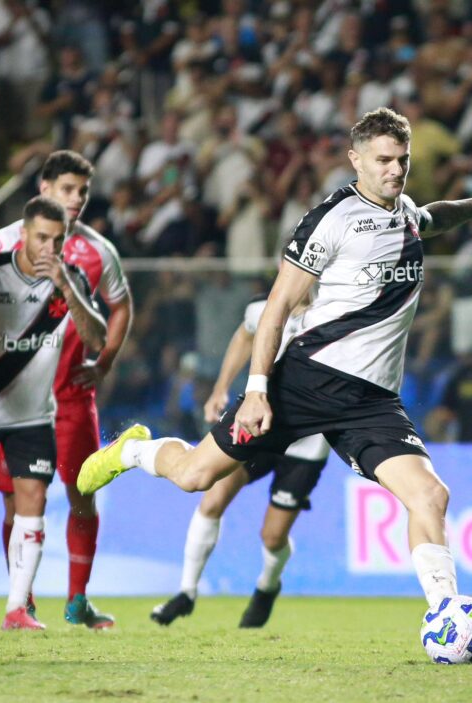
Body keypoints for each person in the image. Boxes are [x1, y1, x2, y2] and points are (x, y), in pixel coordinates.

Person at [79, 107, 472, 612]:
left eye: (403, 160)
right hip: (302, 384)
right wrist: (259, 389)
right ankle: (131, 451)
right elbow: (276, 309)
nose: (395, 170)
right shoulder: (331, 220)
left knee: (430, 496)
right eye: (383, 160)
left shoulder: (404, 212)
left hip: (371, 400)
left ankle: (446, 614)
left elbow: (432, 218)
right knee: (195, 477)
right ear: (355, 160)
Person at [0, 150, 132, 628]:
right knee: (13, 502)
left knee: (84, 495)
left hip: (71, 398)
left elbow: (120, 308)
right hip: (13, 398)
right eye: (67, 189)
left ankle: (78, 601)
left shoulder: (98, 252)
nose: (77, 199)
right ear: (43, 190)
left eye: (82, 190)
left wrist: (103, 364)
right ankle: (25, 600)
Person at [0, 196, 106, 630]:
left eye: (57, 240)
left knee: (32, 504)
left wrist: (69, 290)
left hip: (34, 417)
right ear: (24, 234)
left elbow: (96, 338)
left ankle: (17, 608)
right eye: (40, 238)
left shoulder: (68, 279)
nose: (48, 248)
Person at [150, 293, 329, 627]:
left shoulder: (333, 314)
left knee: (273, 536)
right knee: (212, 497)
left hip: (307, 442)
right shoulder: (262, 310)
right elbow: (244, 335)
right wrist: (220, 388)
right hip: (260, 425)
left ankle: (267, 586)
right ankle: (186, 591)